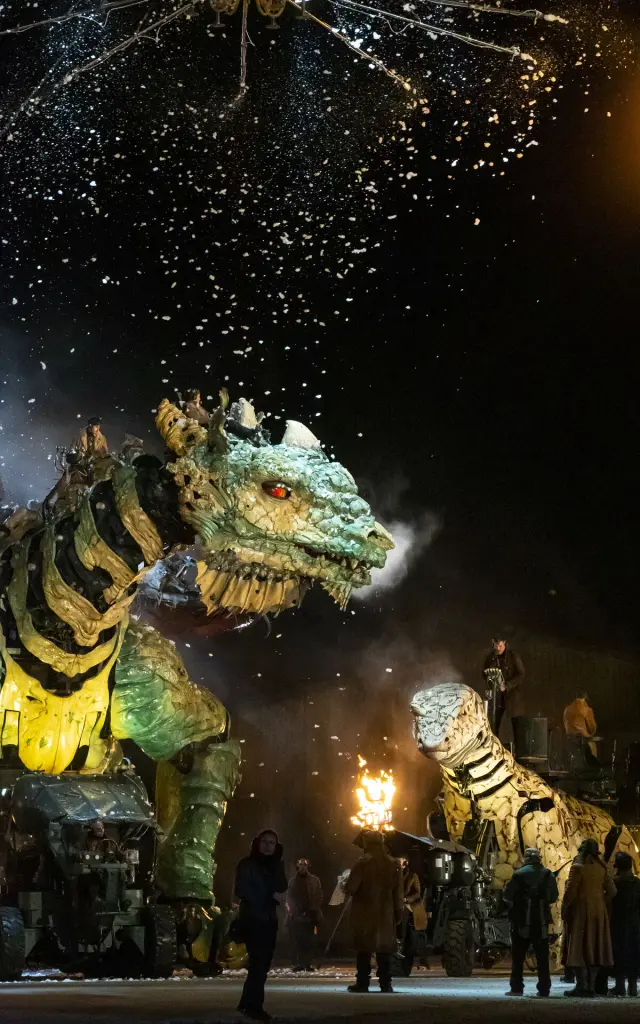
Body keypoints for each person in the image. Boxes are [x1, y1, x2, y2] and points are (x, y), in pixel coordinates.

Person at [234, 829, 288, 1022]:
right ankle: (253, 1005)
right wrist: (268, 895)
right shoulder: (247, 864)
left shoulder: (275, 865)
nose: (268, 846)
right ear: (258, 843)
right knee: (258, 964)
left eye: (272, 843)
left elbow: (282, 887)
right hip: (253, 920)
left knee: (262, 965)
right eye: (265, 842)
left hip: (269, 920)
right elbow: (242, 890)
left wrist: (277, 867)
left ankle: (248, 1003)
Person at [344, 830, 403, 994]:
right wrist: (398, 913)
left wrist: (344, 883)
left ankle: (362, 983)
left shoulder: (363, 862)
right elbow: (398, 893)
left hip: (365, 913)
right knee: (384, 951)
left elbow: (351, 888)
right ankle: (386, 984)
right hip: (386, 914)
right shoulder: (394, 863)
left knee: (364, 950)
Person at [562, 838, 616, 997]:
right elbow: (612, 891)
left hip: (580, 912)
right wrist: (600, 900)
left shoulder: (578, 867)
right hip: (599, 913)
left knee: (579, 947)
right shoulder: (602, 868)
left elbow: (570, 892)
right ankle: (591, 986)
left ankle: (581, 986)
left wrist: (565, 907)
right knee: (595, 947)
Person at [504, 847, 559, 998]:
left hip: (521, 922)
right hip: (540, 923)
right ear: (539, 858)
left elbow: (508, 896)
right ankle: (544, 989)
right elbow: (553, 897)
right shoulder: (548, 874)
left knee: (518, 957)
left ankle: (516, 987)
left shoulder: (518, 874)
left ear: (526, 858)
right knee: (542, 958)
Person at [483, 634, 526, 743]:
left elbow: (521, 674)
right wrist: (491, 684)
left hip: (512, 697)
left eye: (500, 646)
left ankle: (518, 754)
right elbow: (484, 673)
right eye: (496, 646)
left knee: (516, 726)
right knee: (493, 724)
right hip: (497, 697)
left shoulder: (513, 656)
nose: (498, 648)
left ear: (505, 643)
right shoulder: (490, 657)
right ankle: (494, 750)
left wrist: (507, 685)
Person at [609, 851, 640, 997]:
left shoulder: (614, 883)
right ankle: (633, 987)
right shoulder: (637, 883)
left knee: (619, 954)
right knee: (633, 954)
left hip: (618, 923)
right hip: (635, 923)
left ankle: (620, 986)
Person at [286, 857, 323, 972]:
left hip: (310, 914)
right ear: (298, 866)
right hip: (297, 914)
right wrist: (293, 910)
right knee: (298, 940)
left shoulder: (314, 880)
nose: (302, 867)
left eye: (305, 865)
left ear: (308, 866)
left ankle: (308, 963)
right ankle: (300, 963)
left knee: (309, 940)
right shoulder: (293, 881)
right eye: (301, 865)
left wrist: (314, 909)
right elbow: (289, 896)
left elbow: (318, 895)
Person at [398, 856, 428, 973]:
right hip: (399, 904)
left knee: (416, 933)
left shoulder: (412, 876)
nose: (400, 864)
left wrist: (406, 899)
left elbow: (417, 893)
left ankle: (421, 957)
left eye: (401, 862)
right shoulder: (393, 876)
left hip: (412, 906)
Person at [564, 692, 599, 763]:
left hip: (569, 742)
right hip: (583, 741)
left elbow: (566, 728)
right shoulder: (587, 709)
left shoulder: (567, 709)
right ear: (585, 698)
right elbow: (592, 729)